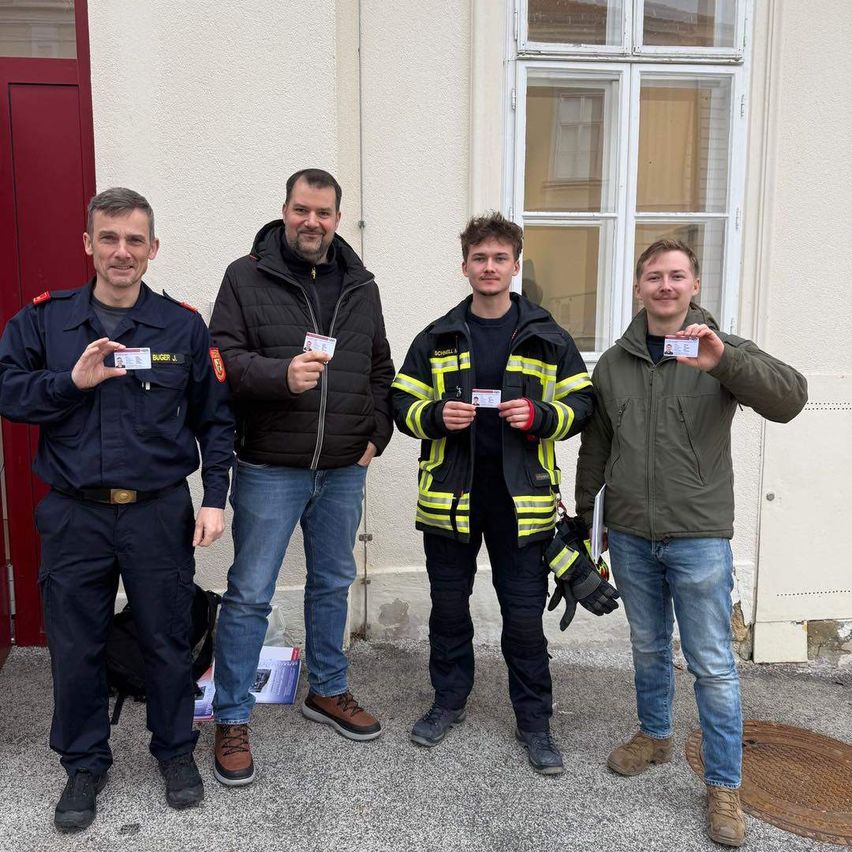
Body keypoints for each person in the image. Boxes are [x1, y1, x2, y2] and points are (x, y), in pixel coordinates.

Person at [0, 188, 235, 831]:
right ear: (88, 245)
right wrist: (66, 384)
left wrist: (215, 498)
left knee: (165, 637)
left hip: (158, 512)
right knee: (76, 643)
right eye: (109, 238)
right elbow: (8, 391)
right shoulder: (44, 322)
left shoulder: (182, 326)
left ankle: (175, 751)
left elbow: (216, 421)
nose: (121, 252)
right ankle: (83, 764)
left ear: (152, 249)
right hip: (75, 513)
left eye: (135, 240)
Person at [575, 238, 807, 846]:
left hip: (699, 534)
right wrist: (584, 521)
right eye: (654, 277)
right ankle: (654, 736)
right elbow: (597, 444)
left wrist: (724, 361)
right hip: (628, 531)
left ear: (695, 285)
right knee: (648, 645)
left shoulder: (718, 348)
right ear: (638, 288)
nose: (666, 287)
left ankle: (724, 787)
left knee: (712, 666)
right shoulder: (614, 363)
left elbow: (791, 399)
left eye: (677, 276)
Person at [209, 168, 394, 786]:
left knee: (333, 581)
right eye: (300, 210)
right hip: (269, 466)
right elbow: (224, 360)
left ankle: (329, 689)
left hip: (344, 469)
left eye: (323, 212)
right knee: (250, 593)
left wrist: (375, 439)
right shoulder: (245, 275)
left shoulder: (360, 285)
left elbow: (380, 371)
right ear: (284, 210)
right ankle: (233, 716)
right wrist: (278, 376)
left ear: (338, 218)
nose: (311, 222)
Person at [391, 213, 594, 775]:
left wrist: (540, 415)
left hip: (520, 502)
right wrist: (433, 414)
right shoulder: (435, 335)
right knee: (449, 611)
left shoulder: (548, 334)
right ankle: (447, 704)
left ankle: (535, 724)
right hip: (450, 500)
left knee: (524, 620)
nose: (488, 267)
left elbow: (582, 405)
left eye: (499, 258)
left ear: (514, 265)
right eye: (479, 258)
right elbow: (399, 404)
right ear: (465, 266)